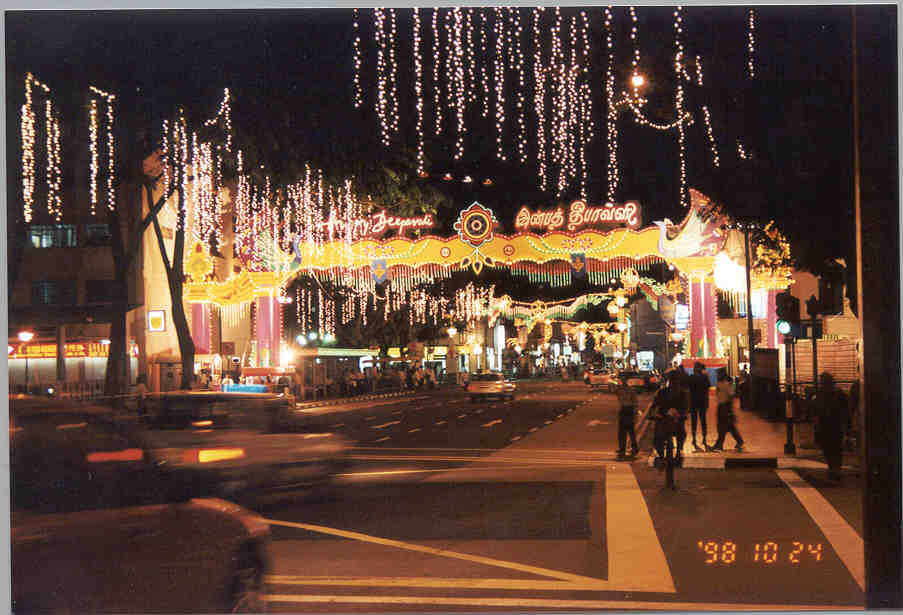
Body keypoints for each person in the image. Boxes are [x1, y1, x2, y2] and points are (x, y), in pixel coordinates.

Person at [812, 372, 849, 482]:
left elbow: (816, 411)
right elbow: (845, 411)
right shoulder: (839, 394)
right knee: (836, 448)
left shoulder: (819, 394)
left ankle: (833, 468)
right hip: (835, 425)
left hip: (825, 425)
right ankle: (835, 469)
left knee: (828, 448)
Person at [651, 371, 688, 466]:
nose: (674, 383)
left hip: (676, 420)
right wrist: (655, 415)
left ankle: (679, 451)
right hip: (663, 419)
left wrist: (681, 414)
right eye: (673, 380)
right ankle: (661, 455)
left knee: (681, 433)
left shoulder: (682, 393)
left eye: (676, 380)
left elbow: (686, 407)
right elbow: (655, 405)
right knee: (658, 436)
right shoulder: (662, 392)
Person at [710, 368, 744, 452]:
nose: (717, 375)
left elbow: (731, 395)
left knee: (723, 427)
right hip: (721, 406)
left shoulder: (726, 384)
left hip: (725, 407)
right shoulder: (719, 383)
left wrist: (729, 409)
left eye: (718, 374)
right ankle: (738, 441)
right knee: (727, 426)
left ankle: (719, 445)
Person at [687, 362, 711, 452]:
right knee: (703, 420)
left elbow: (688, 389)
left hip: (693, 401)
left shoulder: (691, 377)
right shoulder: (704, 377)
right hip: (702, 401)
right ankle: (704, 438)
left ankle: (694, 438)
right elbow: (708, 388)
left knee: (694, 421)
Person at [615, 378, 639, 458]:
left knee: (626, 431)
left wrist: (635, 412)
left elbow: (634, 401)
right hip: (626, 410)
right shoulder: (628, 390)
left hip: (627, 410)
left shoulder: (626, 390)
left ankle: (626, 449)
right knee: (628, 431)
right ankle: (630, 448)